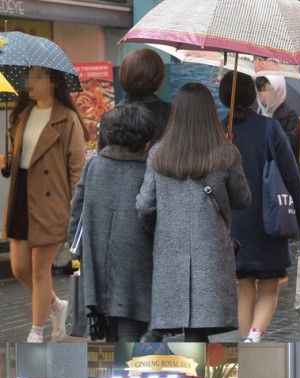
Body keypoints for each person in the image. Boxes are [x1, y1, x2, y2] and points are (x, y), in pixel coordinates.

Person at [136, 82, 251, 345]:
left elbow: (145, 205)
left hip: (169, 250)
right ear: (210, 114)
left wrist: (159, 228)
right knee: (200, 333)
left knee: (184, 329)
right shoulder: (225, 153)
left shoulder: (158, 153)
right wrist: (233, 159)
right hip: (211, 251)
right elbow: (243, 199)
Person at [218, 72, 300, 345]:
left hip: (233, 222)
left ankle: (249, 342)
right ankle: (255, 337)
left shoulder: (218, 132)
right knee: (269, 288)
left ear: (224, 97)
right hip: (270, 218)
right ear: (252, 96)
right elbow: (291, 176)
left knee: (244, 288)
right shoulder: (270, 128)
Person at [1, 67, 87, 344]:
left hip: (52, 204)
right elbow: (20, 159)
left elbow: (77, 169)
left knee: (40, 269)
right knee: (19, 268)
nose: (30, 83)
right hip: (21, 197)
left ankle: (36, 332)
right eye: (30, 77)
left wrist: (75, 210)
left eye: (37, 77)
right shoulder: (23, 115)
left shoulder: (68, 119)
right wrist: (8, 161)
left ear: (52, 83)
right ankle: (57, 306)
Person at [69, 104, 155, 347]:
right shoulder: (147, 171)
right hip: (138, 264)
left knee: (113, 332)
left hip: (97, 260)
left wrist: (75, 256)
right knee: (131, 326)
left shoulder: (94, 166)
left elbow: (77, 213)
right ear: (146, 140)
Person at [99, 48, 171, 147]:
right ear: (158, 77)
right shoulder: (171, 113)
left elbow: (103, 158)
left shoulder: (109, 118)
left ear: (123, 75)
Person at [256, 74, 300, 165]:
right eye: (260, 90)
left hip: (283, 171)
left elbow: (290, 146)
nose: (262, 95)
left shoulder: (290, 115)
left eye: (266, 90)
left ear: (277, 90)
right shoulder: (258, 113)